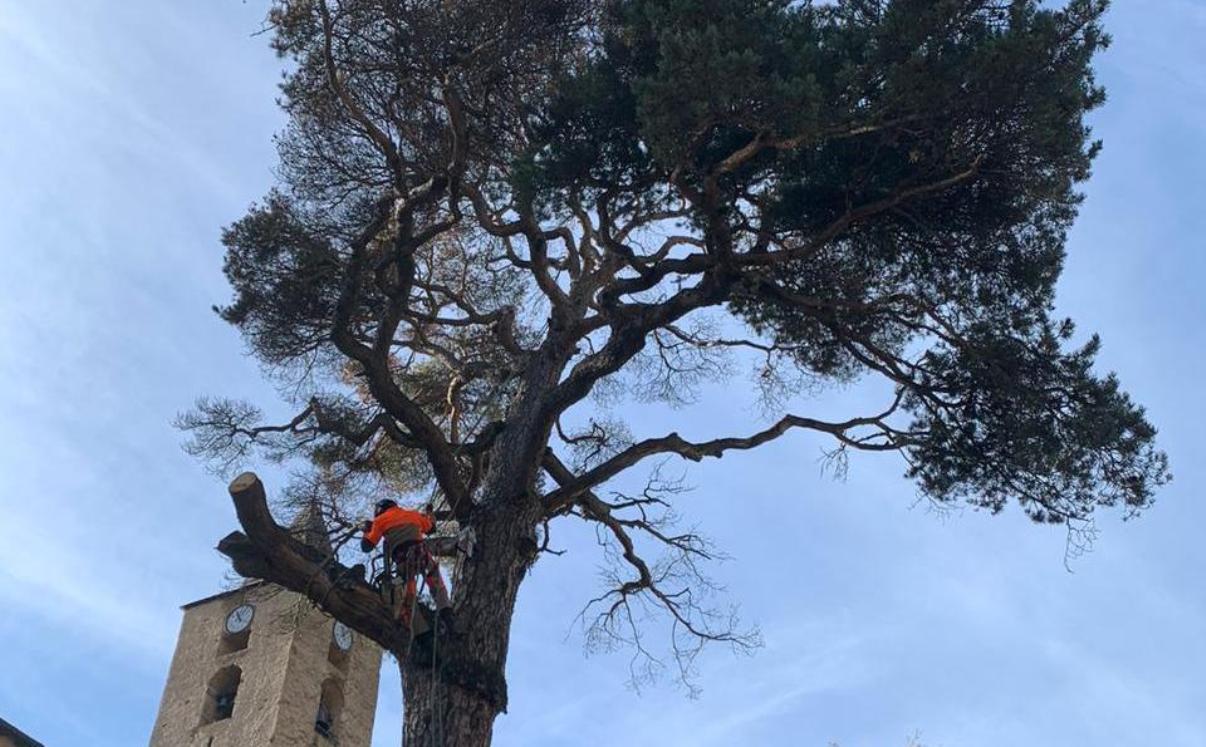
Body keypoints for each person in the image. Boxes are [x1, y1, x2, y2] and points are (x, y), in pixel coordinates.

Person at [360, 498, 455, 636]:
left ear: (380, 510)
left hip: (403, 562)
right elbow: (431, 528)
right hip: (422, 555)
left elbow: (366, 546)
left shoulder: (379, 521)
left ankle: (422, 635)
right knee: (435, 580)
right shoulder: (413, 514)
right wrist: (429, 513)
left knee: (407, 595)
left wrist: (366, 530)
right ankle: (446, 613)